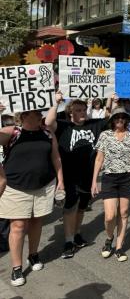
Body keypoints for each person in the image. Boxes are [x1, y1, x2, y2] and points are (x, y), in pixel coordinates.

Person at [0, 109, 64, 286]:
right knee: (18, 226)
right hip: (16, 187)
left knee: (37, 221)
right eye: (32, 113)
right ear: (22, 116)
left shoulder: (47, 133)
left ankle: (33, 254)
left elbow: (56, 157)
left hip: (44, 186)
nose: (37, 115)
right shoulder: (12, 132)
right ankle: (16, 267)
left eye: (38, 113)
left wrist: (61, 181)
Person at [46, 94, 108, 259]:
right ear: (70, 113)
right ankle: (68, 241)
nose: (82, 112)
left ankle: (77, 233)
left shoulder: (93, 124)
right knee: (70, 208)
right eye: (78, 110)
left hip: (88, 175)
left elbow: (110, 119)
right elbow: (48, 123)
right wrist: (55, 103)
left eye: (83, 109)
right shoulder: (64, 126)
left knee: (81, 207)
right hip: (69, 175)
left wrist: (112, 102)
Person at [91, 108, 130, 262]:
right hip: (109, 178)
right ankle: (109, 238)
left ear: (126, 119)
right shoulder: (105, 135)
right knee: (110, 215)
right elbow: (99, 159)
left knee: (124, 212)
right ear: (112, 120)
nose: (120, 120)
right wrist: (94, 181)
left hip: (127, 177)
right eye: (116, 117)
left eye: (122, 117)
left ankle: (119, 247)